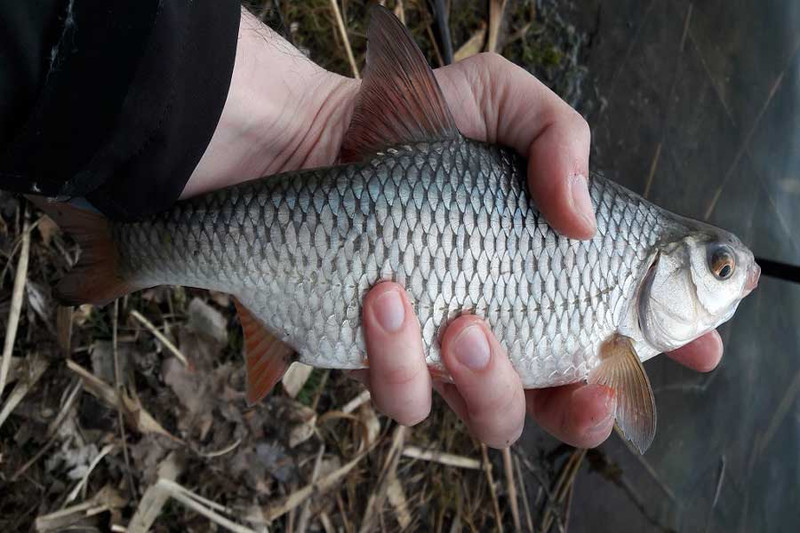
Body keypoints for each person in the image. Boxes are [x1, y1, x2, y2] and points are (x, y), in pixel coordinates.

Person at [0, 2, 723, 449]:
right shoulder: (619, 346)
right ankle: (126, 250)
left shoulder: (621, 327)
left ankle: (127, 248)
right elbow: (636, 423)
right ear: (665, 264)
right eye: (718, 266)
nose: (733, 278)